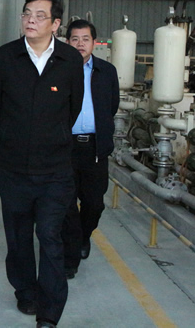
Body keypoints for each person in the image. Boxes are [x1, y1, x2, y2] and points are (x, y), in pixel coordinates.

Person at [0, 0, 84, 328]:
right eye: (27, 13)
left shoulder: (70, 59)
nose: (31, 19)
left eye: (40, 15)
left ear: (56, 24)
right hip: (14, 167)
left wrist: (51, 135)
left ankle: (50, 311)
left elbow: (73, 108)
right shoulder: (5, 57)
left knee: (50, 235)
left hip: (55, 169)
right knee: (18, 236)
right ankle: (25, 291)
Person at [61, 20, 119, 279]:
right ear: (67, 42)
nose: (80, 44)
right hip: (66, 147)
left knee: (94, 204)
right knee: (66, 205)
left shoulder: (106, 71)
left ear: (94, 42)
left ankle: (83, 236)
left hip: (95, 148)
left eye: (85, 39)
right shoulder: (59, 70)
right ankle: (70, 255)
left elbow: (112, 106)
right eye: (75, 39)